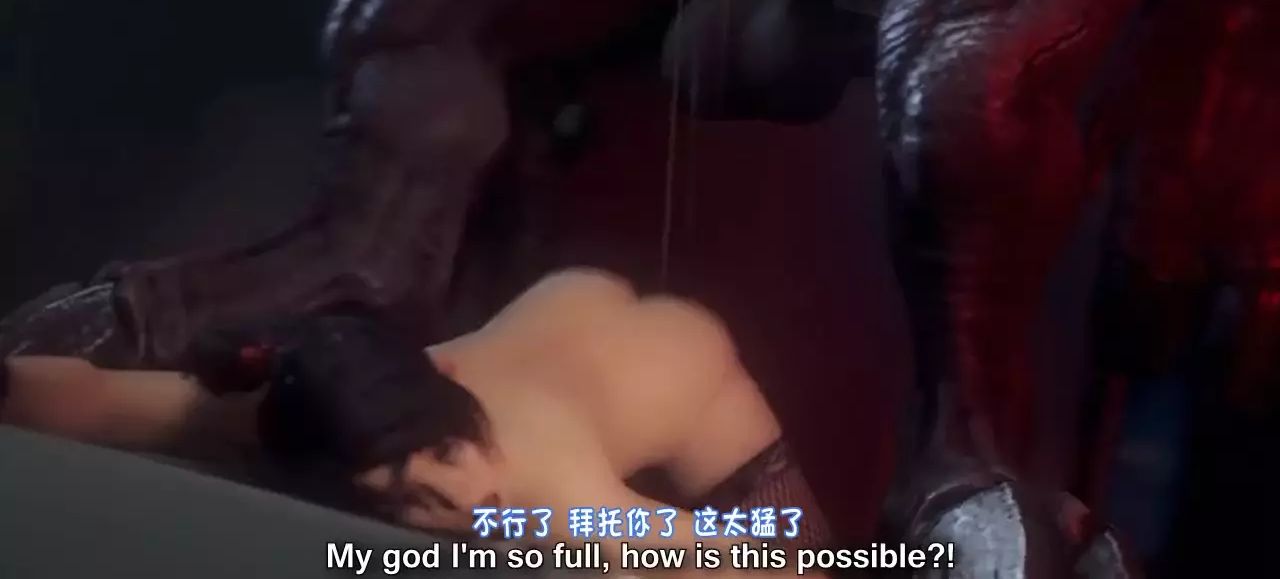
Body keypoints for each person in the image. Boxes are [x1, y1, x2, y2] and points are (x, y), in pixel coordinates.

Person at [0, 268, 829, 576]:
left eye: (445, 453)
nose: (463, 499)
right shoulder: (297, 394)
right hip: (572, 308)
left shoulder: (551, 497)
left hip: (707, 403)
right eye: (405, 499)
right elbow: (84, 396)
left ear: (447, 382)